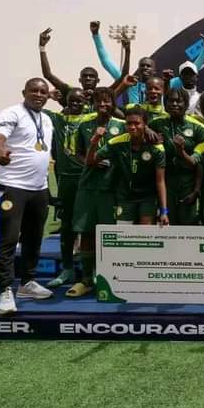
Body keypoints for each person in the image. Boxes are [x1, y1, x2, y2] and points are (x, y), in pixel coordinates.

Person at [0, 77, 55, 315]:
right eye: (34, 90)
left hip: (38, 189)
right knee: (7, 238)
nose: (38, 94)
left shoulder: (46, 119)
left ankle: (27, 282)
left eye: (43, 91)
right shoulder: (13, 113)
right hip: (12, 187)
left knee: (34, 237)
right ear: (24, 92)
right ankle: (5, 288)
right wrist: (0, 151)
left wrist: (47, 189)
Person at [68, 87, 125, 297]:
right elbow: (78, 154)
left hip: (112, 188)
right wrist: (91, 162)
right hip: (89, 186)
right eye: (99, 102)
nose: (103, 105)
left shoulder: (122, 126)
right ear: (93, 104)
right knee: (87, 232)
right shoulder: (84, 126)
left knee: (109, 235)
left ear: (113, 103)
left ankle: (108, 277)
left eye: (107, 101)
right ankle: (86, 278)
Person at [43, 88, 92, 289]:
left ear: (86, 102)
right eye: (72, 100)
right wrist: (47, 96)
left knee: (89, 225)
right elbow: (39, 109)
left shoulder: (91, 118)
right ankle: (67, 268)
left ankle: (91, 271)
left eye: (79, 101)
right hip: (66, 181)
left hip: (88, 179)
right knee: (67, 226)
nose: (75, 104)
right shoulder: (58, 119)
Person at [87, 107, 168, 226]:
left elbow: (160, 181)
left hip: (147, 198)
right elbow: (90, 162)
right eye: (129, 123)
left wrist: (164, 211)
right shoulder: (117, 143)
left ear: (145, 124)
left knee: (144, 235)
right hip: (125, 197)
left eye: (137, 123)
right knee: (123, 236)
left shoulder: (157, 149)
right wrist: (94, 141)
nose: (132, 127)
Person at [149, 88, 204, 225]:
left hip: (189, 182)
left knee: (188, 224)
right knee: (168, 223)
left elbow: (202, 163)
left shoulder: (198, 127)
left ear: (186, 105)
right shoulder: (157, 124)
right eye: (171, 101)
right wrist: (148, 130)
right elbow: (141, 127)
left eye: (178, 101)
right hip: (166, 181)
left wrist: (197, 190)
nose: (174, 104)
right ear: (165, 104)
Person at [39, 27, 128, 109]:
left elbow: (123, 77)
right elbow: (48, 75)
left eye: (91, 76)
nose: (88, 78)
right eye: (85, 76)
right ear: (80, 80)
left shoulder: (104, 94)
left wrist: (127, 51)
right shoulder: (71, 92)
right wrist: (42, 47)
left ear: (98, 80)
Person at [90, 20, 155, 104]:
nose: (145, 68)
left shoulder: (161, 85)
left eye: (148, 66)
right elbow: (106, 62)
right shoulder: (132, 84)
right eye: (142, 65)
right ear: (138, 69)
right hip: (134, 116)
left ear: (154, 70)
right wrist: (96, 35)